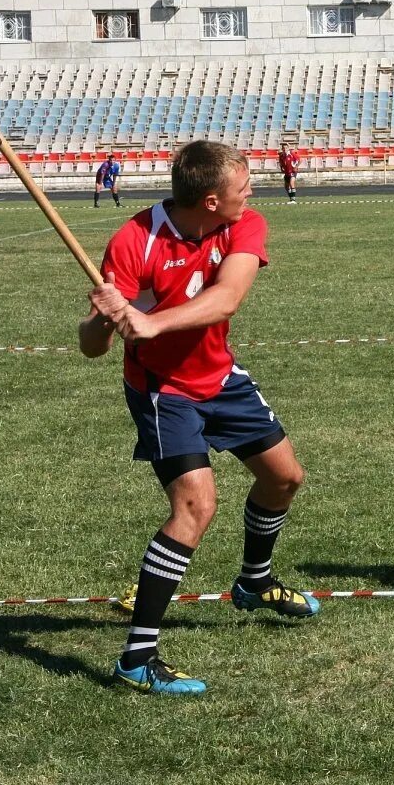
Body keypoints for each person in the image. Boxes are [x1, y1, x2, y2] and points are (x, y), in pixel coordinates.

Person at [82, 140, 319, 695]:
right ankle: (137, 658)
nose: (251, 192)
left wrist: (155, 323)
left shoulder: (243, 225)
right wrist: (104, 315)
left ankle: (253, 584)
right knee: (195, 505)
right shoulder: (134, 241)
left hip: (219, 376)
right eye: (242, 187)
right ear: (211, 201)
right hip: (163, 391)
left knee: (284, 477)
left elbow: (227, 297)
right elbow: (93, 346)